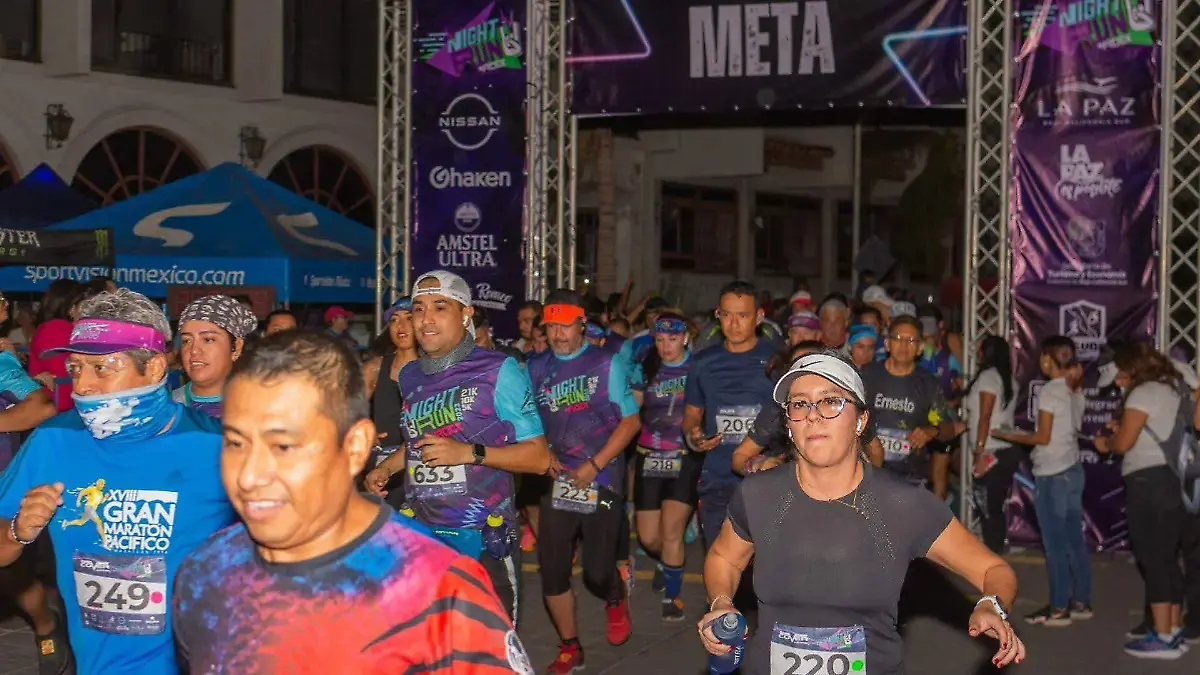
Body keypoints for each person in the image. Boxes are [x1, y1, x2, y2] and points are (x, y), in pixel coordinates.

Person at [172, 330, 533, 674]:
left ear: (356, 446)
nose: (249, 476)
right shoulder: (204, 573)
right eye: (236, 443)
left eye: (283, 446)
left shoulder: (436, 588)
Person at [699, 351, 1026, 674]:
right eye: (799, 404)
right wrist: (721, 603)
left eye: (830, 402)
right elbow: (724, 558)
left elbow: (993, 569)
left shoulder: (903, 504)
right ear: (788, 425)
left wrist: (991, 605)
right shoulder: (758, 494)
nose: (813, 415)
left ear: (861, 420)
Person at [0, 289, 235, 674]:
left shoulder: (216, 446)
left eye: (103, 368)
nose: (83, 386)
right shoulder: (55, 439)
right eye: (75, 368)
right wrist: (16, 531)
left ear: (155, 368)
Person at [365, 271, 550, 625]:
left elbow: (540, 458)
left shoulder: (499, 369)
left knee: (488, 654)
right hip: (421, 537)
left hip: (481, 537)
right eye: (418, 309)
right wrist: (386, 468)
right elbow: (419, 443)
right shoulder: (410, 375)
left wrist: (470, 453)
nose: (426, 319)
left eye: (440, 307)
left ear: (466, 314)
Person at [526, 289, 641, 673]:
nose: (557, 334)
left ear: (581, 325)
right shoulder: (535, 366)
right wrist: (540, 455)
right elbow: (525, 422)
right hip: (556, 478)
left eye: (565, 325)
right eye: (551, 326)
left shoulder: (605, 363)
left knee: (596, 571)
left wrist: (595, 463)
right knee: (553, 568)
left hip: (601, 475)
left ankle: (614, 594)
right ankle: (570, 645)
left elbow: (631, 421)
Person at [1092, 342, 1190, 657]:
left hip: (1148, 482)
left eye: (1121, 373)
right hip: (1171, 481)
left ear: (1132, 367)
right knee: (1167, 557)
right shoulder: (1169, 387)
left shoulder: (1143, 392)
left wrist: (1106, 442)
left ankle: (1162, 637)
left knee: (1154, 559)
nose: (1119, 382)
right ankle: (1173, 630)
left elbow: (1123, 443)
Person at [993, 335, 1091, 626]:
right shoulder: (1076, 390)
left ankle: (1059, 607)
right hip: (1073, 470)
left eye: (1043, 358)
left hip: (1052, 474)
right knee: (1074, 539)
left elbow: (1042, 437)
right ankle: (1082, 601)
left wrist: (1006, 434)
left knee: (1055, 543)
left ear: (1049, 360)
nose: (1041, 362)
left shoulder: (1050, 391)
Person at [0, 292, 68, 674]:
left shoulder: (1, 361)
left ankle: (46, 627)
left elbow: (41, 406)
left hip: (2, 483)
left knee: (13, 577)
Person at [682, 280, 779, 549]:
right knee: (718, 563)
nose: (734, 324)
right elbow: (691, 414)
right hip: (717, 478)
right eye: (726, 314)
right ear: (718, 316)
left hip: (764, 479)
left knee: (760, 569)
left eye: (743, 315)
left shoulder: (776, 361)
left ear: (759, 317)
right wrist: (693, 437)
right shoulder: (703, 362)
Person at [631, 313, 700, 621]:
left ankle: (673, 596)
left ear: (685, 337)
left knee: (672, 533)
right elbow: (631, 411)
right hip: (649, 454)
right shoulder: (645, 365)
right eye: (659, 339)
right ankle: (665, 563)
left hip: (683, 457)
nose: (665, 346)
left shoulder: (698, 368)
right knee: (648, 537)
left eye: (672, 339)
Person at [862, 316, 958, 481]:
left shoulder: (928, 383)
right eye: (898, 338)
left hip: (909, 479)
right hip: (867, 474)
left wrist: (931, 431)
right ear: (887, 344)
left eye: (911, 340)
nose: (904, 345)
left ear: (920, 348)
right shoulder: (867, 375)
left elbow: (948, 428)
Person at [731, 341, 824, 477]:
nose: (805, 374)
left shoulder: (845, 407)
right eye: (797, 367)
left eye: (813, 365)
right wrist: (759, 465)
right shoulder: (778, 409)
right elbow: (739, 456)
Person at [964, 336, 1020, 554]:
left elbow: (985, 415)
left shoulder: (988, 377)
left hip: (990, 450)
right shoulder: (1008, 379)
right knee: (994, 505)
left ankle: (992, 553)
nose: (977, 354)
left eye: (980, 350)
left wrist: (979, 451)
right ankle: (995, 549)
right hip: (1005, 450)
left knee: (987, 506)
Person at [362, 298, 418, 498]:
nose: (400, 326)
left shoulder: (437, 370)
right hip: (381, 470)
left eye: (409, 318)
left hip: (423, 467)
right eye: (394, 320)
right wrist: (362, 429)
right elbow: (343, 409)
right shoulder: (375, 368)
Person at [174, 295, 259, 419]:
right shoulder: (167, 408)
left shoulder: (260, 405)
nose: (194, 350)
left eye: (208, 339)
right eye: (186, 341)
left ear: (236, 347)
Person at [28, 279, 82, 412]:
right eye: (85, 304)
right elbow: (62, 375)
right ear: (71, 308)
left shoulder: (64, 329)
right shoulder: (56, 329)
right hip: (61, 412)